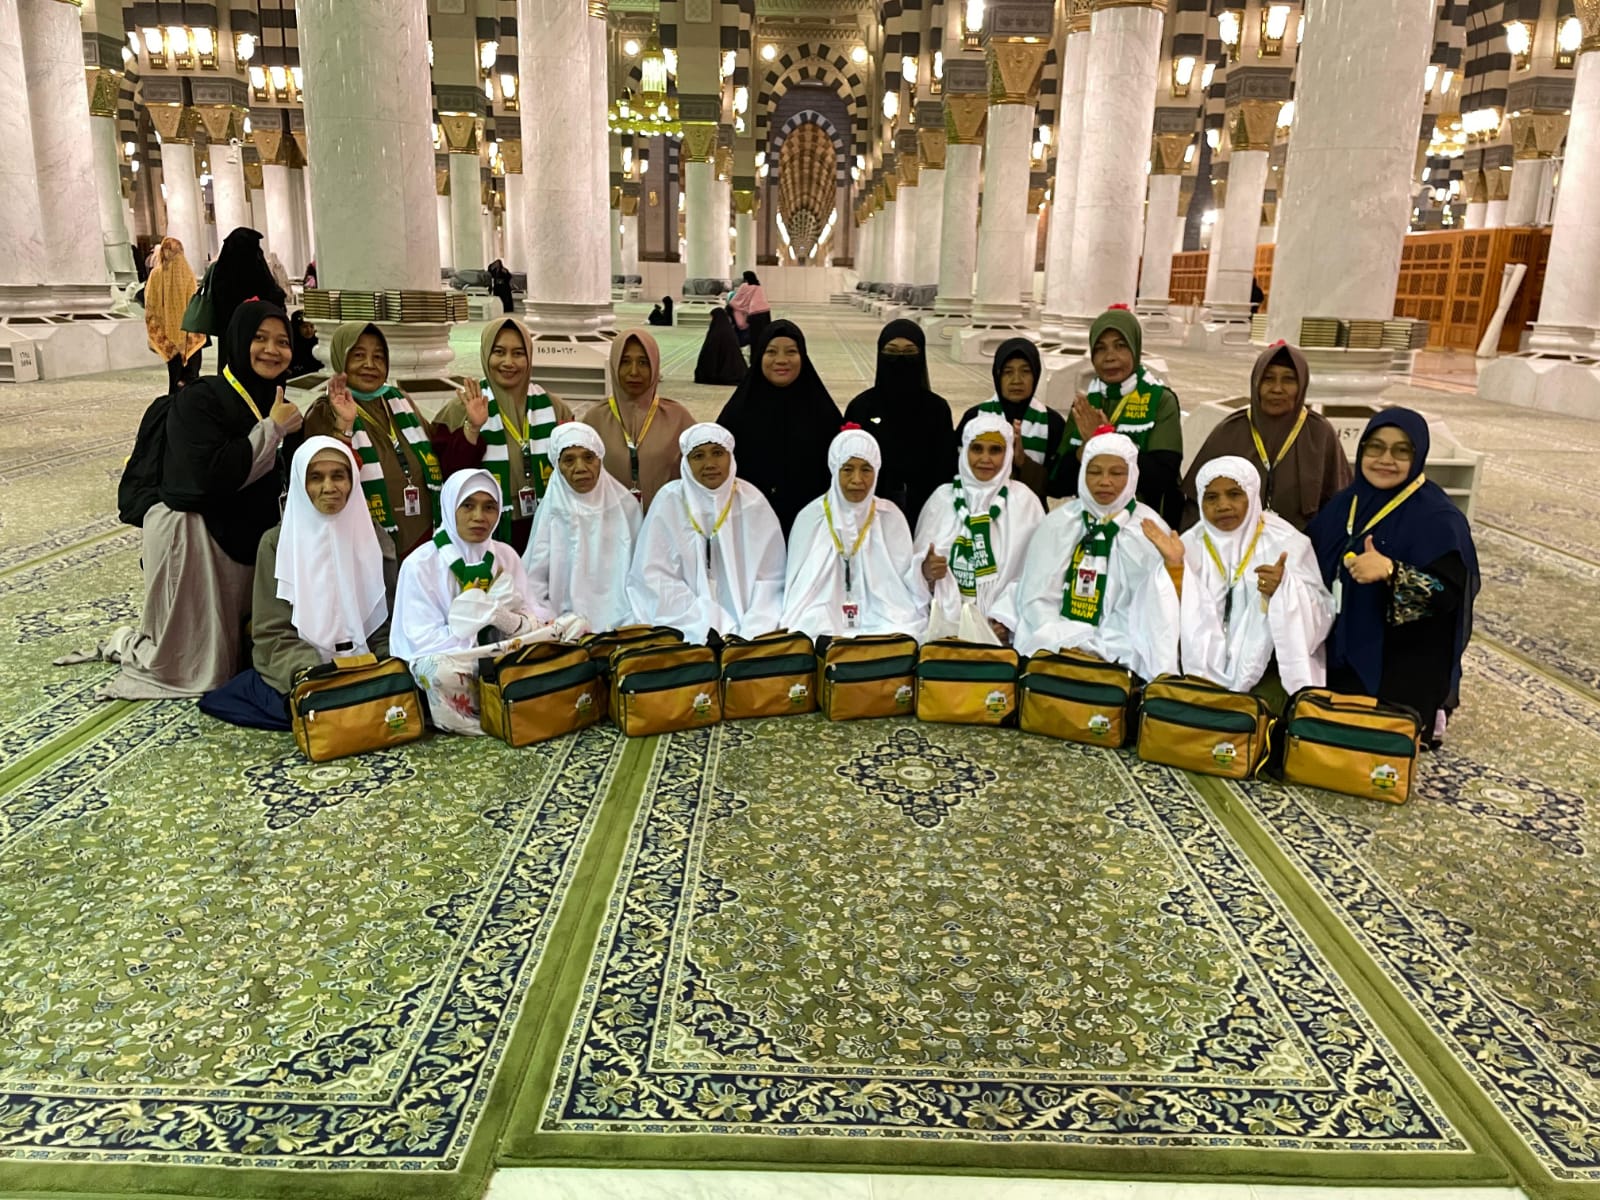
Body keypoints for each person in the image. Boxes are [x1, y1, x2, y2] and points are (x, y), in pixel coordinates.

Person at [62, 301, 303, 698]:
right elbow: (204, 479)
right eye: (259, 338)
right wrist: (271, 431)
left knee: (244, 654)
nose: (271, 350)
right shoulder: (201, 399)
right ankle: (131, 645)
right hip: (196, 537)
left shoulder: (277, 401)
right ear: (238, 341)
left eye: (282, 342)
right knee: (202, 668)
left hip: (247, 535)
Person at [1305, 409, 1479, 746]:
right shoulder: (1343, 505)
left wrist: (1392, 571)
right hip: (1336, 650)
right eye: (1376, 447)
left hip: (1398, 664)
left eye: (1401, 451)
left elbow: (1447, 595)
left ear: (1418, 456)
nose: (1386, 460)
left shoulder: (1437, 518)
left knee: (1374, 741)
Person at [198, 437, 396, 729]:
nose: (329, 487)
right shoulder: (277, 544)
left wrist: (385, 663)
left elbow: (387, 620)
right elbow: (273, 632)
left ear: (352, 482)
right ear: (300, 484)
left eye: (338, 476)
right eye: (316, 478)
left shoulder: (373, 537)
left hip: (368, 662)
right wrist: (313, 672)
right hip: (304, 668)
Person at [391, 469, 577, 734]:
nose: (479, 516)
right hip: (456, 657)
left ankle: (517, 700)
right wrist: (473, 621)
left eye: (489, 507)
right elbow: (421, 639)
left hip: (503, 649)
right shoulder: (420, 564)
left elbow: (530, 613)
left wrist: (506, 620)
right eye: (468, 506)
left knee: (573, 626)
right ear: (450, 507)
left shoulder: (505, 555)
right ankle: (502, 709)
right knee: (438, 672)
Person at [1145, 455, 1333, 704]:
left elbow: (1321, 614)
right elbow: (1163, 620)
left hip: (1269, 670)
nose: (1223, 505)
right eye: (1211, 497)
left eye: (1234, 494)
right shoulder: (1189, 544)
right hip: (1195, 667)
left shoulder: (1287, 542)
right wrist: (1174, 568)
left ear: (1252, 495)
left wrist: (1285, 590)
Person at [1002, 428, 1180, 681]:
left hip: (1122, 648)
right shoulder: (1059, 523)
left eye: (1116, 473)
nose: (1104, 481)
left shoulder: (1149, 529)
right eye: (1094, 472)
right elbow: (1036, 596)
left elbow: (1147, 610)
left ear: (1132, 475)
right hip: (1057, 642)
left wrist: (1101, 646)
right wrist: (1067, 639)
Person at [302, 321, 451, 560]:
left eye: (378, 357)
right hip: (366, 545)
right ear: (341, 359)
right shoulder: (325, 410)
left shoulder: (398, 400)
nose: (370, 365)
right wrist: (344, 426)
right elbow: (329, 476)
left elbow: (434, 446)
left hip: (423, 535)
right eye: (358, 355)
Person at [628, 422, 787, 645]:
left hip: (748, 623)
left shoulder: (752, 502)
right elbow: (655, 577)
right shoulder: (670, 500)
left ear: (730, 457)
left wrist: (751, 630)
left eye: (718, 453)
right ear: (686, 462)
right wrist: (704, 623)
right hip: (687, 623)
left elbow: (770, 578)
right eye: (698, 456)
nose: (710, 464)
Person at [434, 315, 577, 554]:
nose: (508, 362)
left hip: (546, 528)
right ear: (486, 354)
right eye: (499, 352)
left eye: (518, 353)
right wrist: (472, 427)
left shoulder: (553, 408)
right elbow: (450, 475)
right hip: (487, 531)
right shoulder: (462, 407)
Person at [1181, 341, 1352, 532]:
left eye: (1288, 380)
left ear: (1302, 385)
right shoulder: (1230, 431)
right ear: (1256, 383)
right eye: (1268, 379)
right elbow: (1197, 506)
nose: (1277, 388)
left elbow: (1338, 505)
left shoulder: (1319, 433)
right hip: (1232, 544)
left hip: (1301, 544)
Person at [912, 412, 1045, 646]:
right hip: (944, 631)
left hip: (1003, 633)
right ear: (964, 451)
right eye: (977, 449)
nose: (985, 458)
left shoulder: (1025, 503)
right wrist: (926, 572)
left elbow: (1037, 575)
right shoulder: (942, 499)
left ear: (1009, 453)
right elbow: (913, 574)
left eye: (995, 450)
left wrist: (1007, 620)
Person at [780, 426, 921, 640]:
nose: (857, 479)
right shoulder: (811, 517)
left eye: (866, 469)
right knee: (807, 629)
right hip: (823, 609)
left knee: (906, 630)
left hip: (883, 613)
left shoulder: (890, 516)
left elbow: (904, 583)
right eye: (847, 469)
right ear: (835, 469)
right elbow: (798, 589)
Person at [717, 320, 842, 536]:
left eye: (791, 352)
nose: (781, 360)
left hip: (811, 528)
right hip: (750, 527)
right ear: (759, 356)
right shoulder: (738, 412)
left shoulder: (824, 413)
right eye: (771, 352)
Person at [1063, 306, 1185, 525]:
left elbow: (1163, 475)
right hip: (1092, 520)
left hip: (1147, 521)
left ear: (1135, 348)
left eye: (1120, 346)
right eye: (1100, 348)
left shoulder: (1160, 400)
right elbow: (1059, 482)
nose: (1110, 357)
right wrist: (1085, 450)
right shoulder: (1086, 405)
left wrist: (1101, 440)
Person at [522, 422, 642, 635]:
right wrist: (547, 618)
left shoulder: (626, 506)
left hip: (626, 618)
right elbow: (535, 579)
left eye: (588, 457)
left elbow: (643, 572)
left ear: (600, 460)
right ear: (557, 465)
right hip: (564, 621)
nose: (580, 468)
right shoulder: (551, 510)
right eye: (569, 460)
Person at [844, 319, 959, 525]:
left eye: (909, 352)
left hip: (926, 514)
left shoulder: (937, 409)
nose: (900, 359)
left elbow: (946, 469)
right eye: (891, 351)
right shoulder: (861, 407)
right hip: (870, 514)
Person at [584, 328, 696, 512]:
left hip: (665, 522)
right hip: (608, 523)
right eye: (625, 362)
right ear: (614, 365)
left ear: (655, 366)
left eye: (643, 362)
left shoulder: (678, 418)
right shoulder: (595, 419)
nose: (634, 371)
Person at [957, 338, 1071, 504]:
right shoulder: (975, 419)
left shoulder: (1052, 423)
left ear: (1036, 375)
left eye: (1025, 371)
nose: (1016, 380)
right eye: (1008, 372)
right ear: (997, 375)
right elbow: (957, 472)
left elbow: (1060, 487)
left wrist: (1023, 462)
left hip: (1030, 512)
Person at [208, 228, 286, 369]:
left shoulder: (222, 270)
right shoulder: (256, 267)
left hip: (232, 333)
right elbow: (273, 296)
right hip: (256, 332)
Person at [144, 237, 206, 392]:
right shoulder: (188, 274)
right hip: (190, 334)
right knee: (191, 376)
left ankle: (174, 402)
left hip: (168, 336)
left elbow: (150, 305)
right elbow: (195, 303)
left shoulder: (156, 275)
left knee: (175, 376)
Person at [695, 307, 748, 386]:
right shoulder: (730, 333)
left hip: (714, 374)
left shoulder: (715, 333)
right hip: (734, 372)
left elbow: (708, 355)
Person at [728, 270, 772, 346]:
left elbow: (737, 300)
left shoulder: (744, 286)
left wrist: (734, 306)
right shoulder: (758, 286)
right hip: (766, 312)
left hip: (755, 313)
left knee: (754, 338)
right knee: (764, 336)